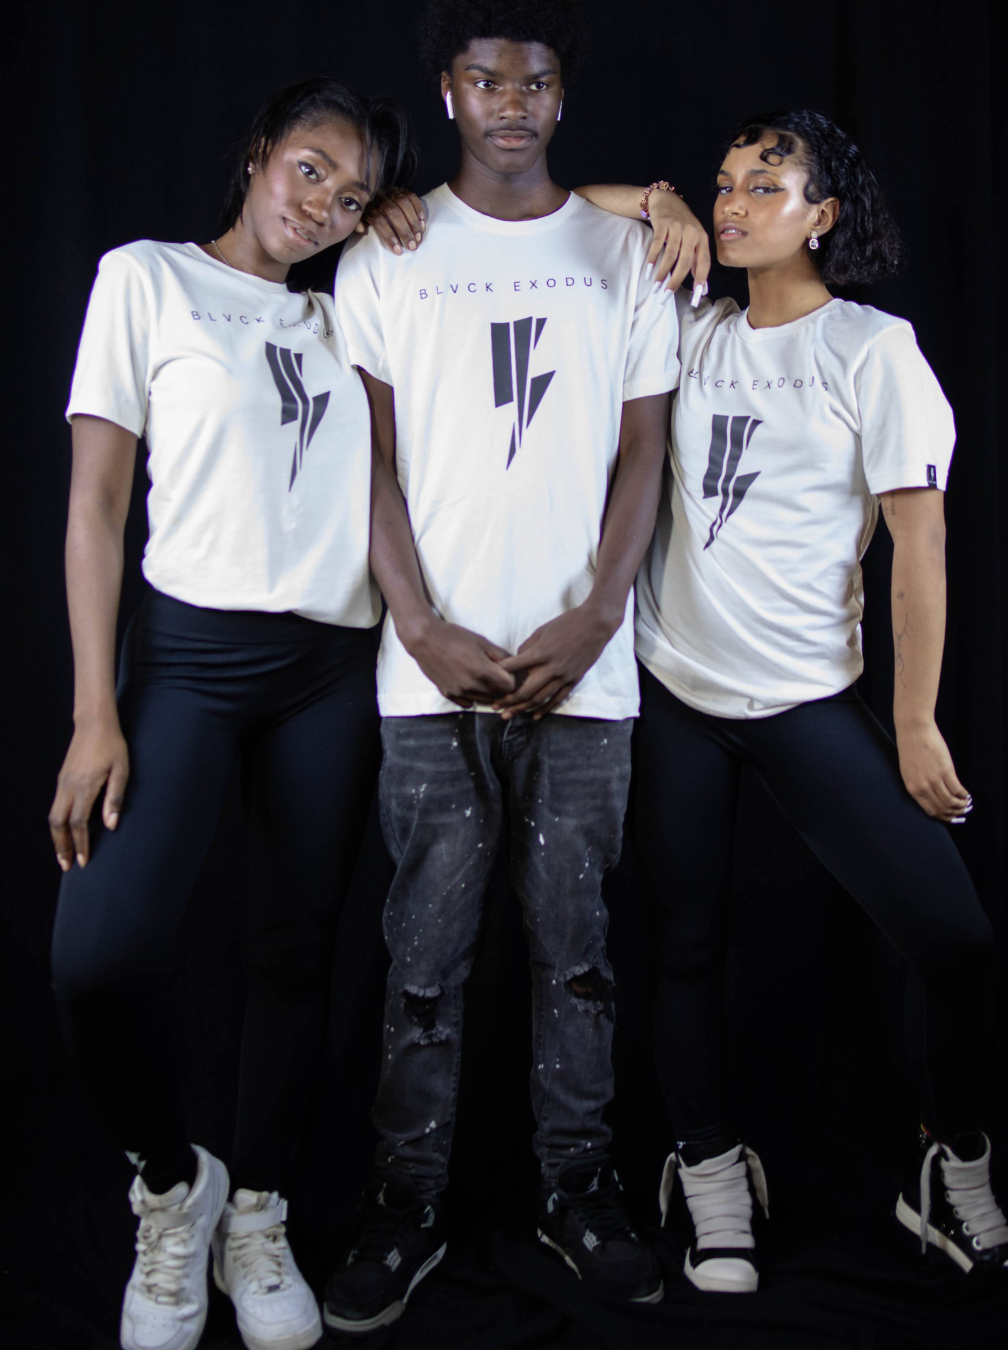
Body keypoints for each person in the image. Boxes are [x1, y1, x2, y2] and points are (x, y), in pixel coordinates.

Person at [571, 109, 1008, 1296]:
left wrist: (915, 720)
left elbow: (918, 548)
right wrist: (661, 203)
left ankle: (950, 1162)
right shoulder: (689, 321)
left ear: (823, 216)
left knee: (955, 939)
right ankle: (707, 1165)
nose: (733, 204)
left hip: (803, 700)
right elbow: (565, 205)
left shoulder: (871, 350)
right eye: (725, 184)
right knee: (685, 942)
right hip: (679, 688)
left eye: (764, 186)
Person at [320, 0, 680, 1332]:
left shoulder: (627, 252)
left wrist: (595, 622)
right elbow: (365, 456)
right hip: (429, 673)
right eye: (487, 80)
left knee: (577, 959)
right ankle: (405, 1204)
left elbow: (645, 450)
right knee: (422, 961)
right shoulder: (387, 251)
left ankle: (577, 1190)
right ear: (450, 92)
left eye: (534, 81)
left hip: (585, 674)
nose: (512, 102)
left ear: (562, 97)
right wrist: (418, 624)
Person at [48, 78, 416, 1350]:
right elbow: (96, 509)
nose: (324, 207)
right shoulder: (144, 278)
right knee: (95, 960)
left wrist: (656, 204)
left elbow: (513, 205)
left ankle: (259, 1208)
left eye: (353, 196)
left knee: (294, 954)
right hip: (189, 661)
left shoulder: (352, 303)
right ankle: (173, 1185)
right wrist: (95, 709)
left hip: (330, 667)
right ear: (260, 153)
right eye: (310, 169)